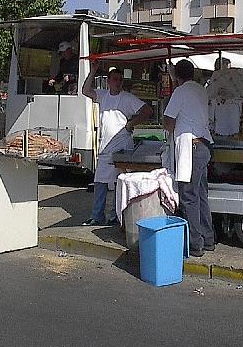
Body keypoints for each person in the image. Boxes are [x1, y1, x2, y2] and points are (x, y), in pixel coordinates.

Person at [82, 64, 153, 226]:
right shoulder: (103, 95)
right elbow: (85, 91)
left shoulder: (127, 98)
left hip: (121, 145)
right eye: (115, 79)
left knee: (118, 182)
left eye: (120, 80)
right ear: (108, 81)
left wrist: (131, 124)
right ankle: (97, 215)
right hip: (105, 146)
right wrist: (92, 71)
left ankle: (115, 216)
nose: (118, 82)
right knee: (100, 181)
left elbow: (147, 110)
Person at [163, 59, 214, 257]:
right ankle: (208, 239)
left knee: (189, 197)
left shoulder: (180, 92)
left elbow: (169, 120)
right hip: (204, 146)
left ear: (177, 76)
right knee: (201, 195)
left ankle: (195, 244)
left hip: (191, 148)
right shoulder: (201, 90)